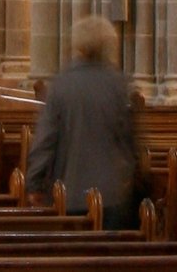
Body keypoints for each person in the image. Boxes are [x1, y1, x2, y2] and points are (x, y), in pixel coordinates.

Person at [25, 15, 141, 230]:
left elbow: (46, 140)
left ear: (77, 45)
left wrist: (35, 183)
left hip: (70, 189)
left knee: (74, 256)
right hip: (112, 191)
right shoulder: (118, 84)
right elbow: (129, 141)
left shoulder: (61, 85)